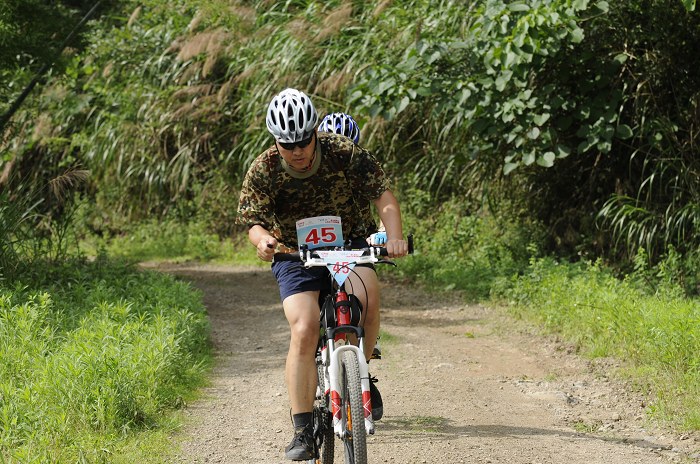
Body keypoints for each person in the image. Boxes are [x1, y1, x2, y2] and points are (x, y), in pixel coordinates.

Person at [237, 88, 408, 461]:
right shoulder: (264, 168)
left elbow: (383, 196)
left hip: (349, 245)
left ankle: (360, 374)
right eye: (288, 145)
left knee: (367, 299)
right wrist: (262, 239)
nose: (297, 151)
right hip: (294, 254)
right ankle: (302, 429)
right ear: (276, 141)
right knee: (304, 327)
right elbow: (253, 220)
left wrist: (394, 237)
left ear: (315, 132)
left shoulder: (343, 152)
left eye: (304, 141)